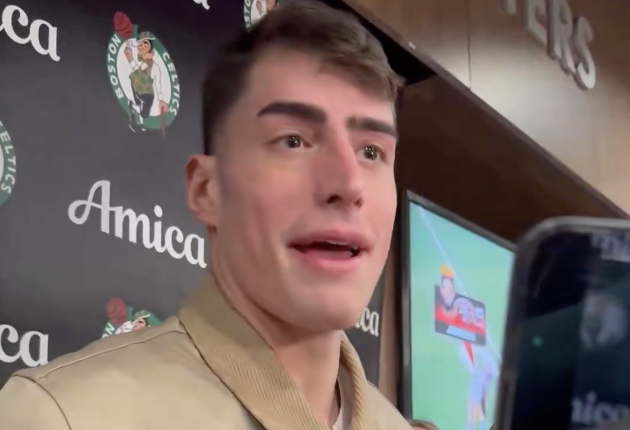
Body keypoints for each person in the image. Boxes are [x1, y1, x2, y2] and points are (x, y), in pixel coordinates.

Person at [0, 1, 409, 429]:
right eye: (293, 141)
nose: (348, 183)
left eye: (371, 151)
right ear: (206, 190)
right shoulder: (65, 417)